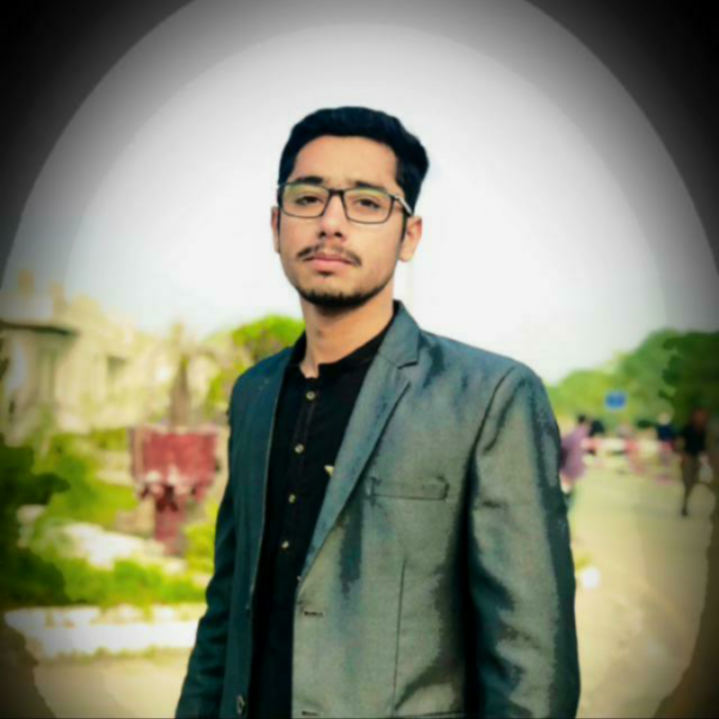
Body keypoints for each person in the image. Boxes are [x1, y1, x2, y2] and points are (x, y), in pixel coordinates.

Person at [176, 107, 580, 719]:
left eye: (367, 203)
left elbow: (530, 659)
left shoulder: (488, 396)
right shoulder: (254, 393)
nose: (331, 222)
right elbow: (227, 608)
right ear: (277, 224)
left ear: (409, 235)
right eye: (308, 198)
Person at [677, 407, 709, 517]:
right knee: (687, 480)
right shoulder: (687, 428)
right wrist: (682, 454)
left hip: (700, 458)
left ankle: (687, 500)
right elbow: (680, 441)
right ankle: (685, 503)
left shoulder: (705, 429)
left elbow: (706, 446)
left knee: (694, 480)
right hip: (688, 457)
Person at [559, 414, 591, 510]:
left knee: (567, 490)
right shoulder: (586, 433)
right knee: (569, 490)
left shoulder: (573, 434)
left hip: (568, 466)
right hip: (576, 467)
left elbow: (562, 445)